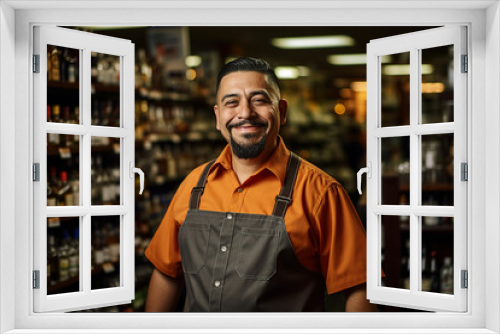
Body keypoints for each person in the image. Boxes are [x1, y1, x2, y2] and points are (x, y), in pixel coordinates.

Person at [144, 57, 376, 312]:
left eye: (259, 100)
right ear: (218, 117)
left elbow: (359, 288)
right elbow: (166, 273)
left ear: (282, 111)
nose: (245, 113)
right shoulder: (193, 185)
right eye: (232, 102)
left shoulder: (320, 192)